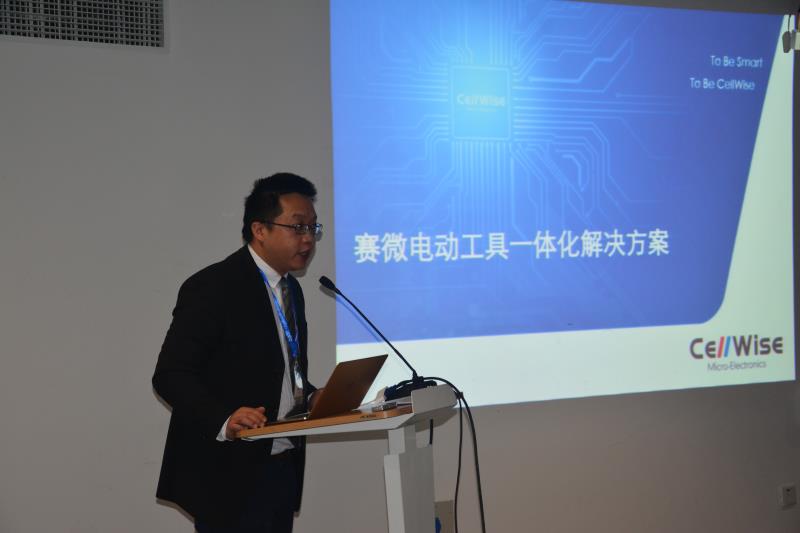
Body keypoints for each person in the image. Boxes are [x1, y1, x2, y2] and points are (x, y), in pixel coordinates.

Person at [153, 172, 323, 532]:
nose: (308, 238)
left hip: (281, 466)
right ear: (259, 229)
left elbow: (278, 370)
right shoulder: (213, 286)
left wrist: (311, 396)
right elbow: (171, 375)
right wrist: (225, 418)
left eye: (312, 227)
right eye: (297, 227)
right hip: (227, 475)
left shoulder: (291, 291)